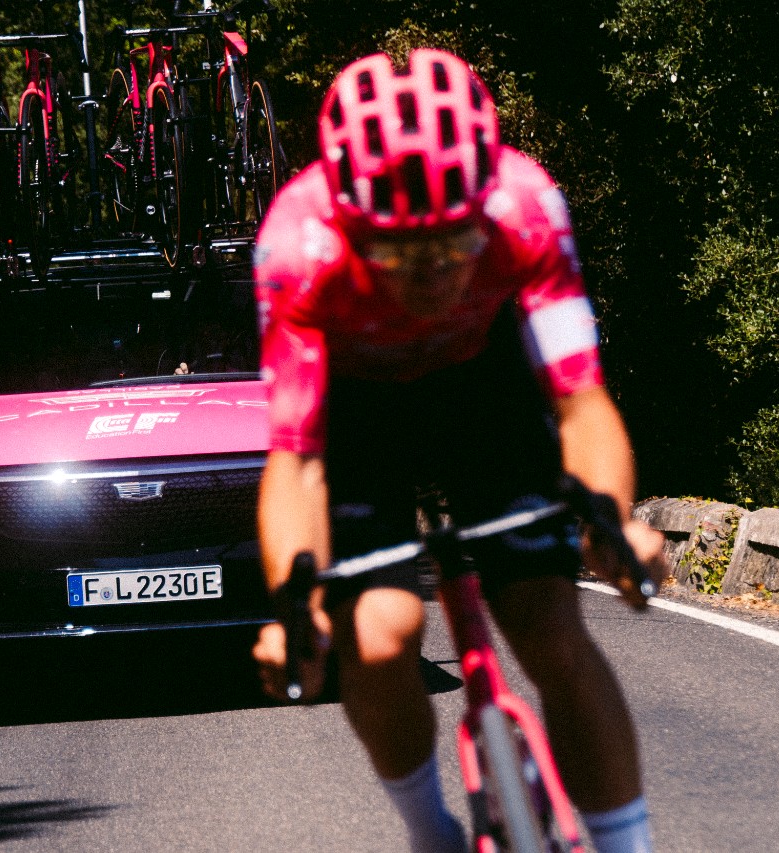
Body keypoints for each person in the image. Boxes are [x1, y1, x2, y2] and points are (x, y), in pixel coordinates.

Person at [250, 48, 669, 853]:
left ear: (484, 208)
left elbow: (580, 399)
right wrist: (293, 609)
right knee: (374, 639)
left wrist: (613, 524)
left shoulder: (527, 206)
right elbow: (296, 459)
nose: (430, 274)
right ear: (349, 226)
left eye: (452, 246)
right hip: (360, 407)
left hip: (488, 387)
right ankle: (429, 834)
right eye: (396, 254)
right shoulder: (296, 249)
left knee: (549, 624)